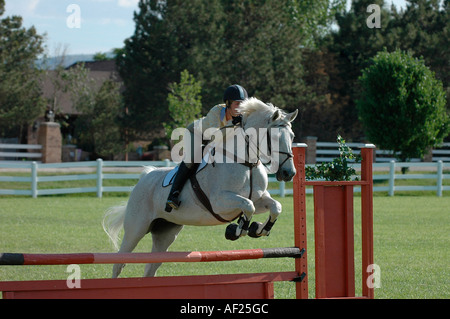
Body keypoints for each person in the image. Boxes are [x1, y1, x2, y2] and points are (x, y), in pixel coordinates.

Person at [165, 84, 248, 212]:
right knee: (193, 157)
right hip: (196, 133)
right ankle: (173, 195)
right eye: (237, 104)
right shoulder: (217, 111)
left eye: (242, 104)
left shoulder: (243, 117)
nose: (240, 108)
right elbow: (215, 136)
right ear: (228, 103)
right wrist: (233, 124)